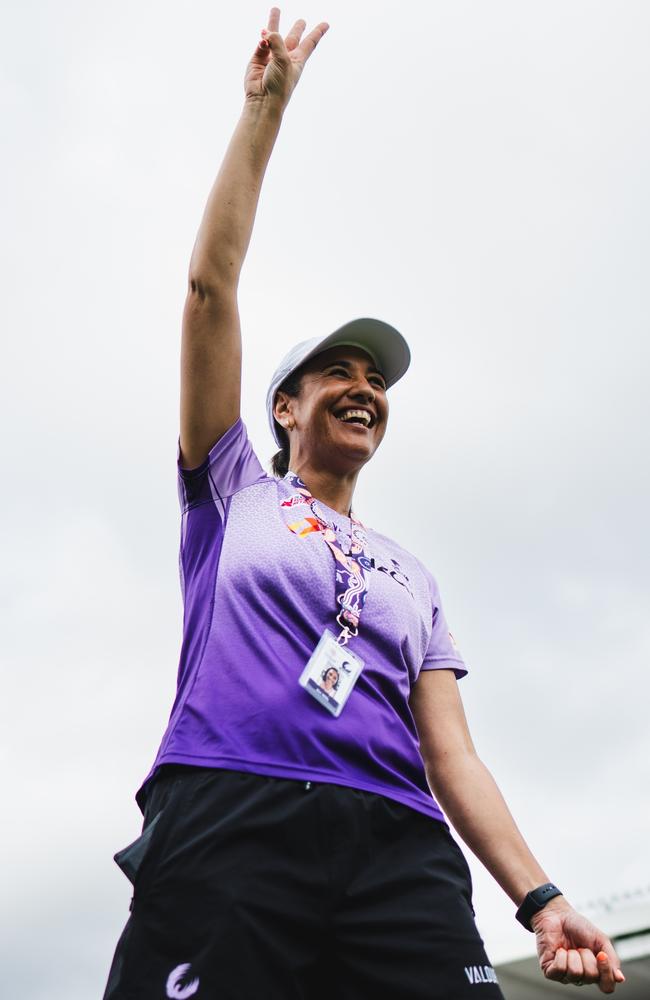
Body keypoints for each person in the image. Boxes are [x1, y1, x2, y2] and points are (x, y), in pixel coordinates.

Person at [103, 9, 626, 999]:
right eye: (334, 371)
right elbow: (208, 289)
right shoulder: (228, 491)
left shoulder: (410, 574)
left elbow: (450, 752)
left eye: (375, 378)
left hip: (398, 844)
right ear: (283, 406)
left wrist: (538, 895)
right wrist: (263, 110)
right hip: (233, 813)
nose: (362, 387)